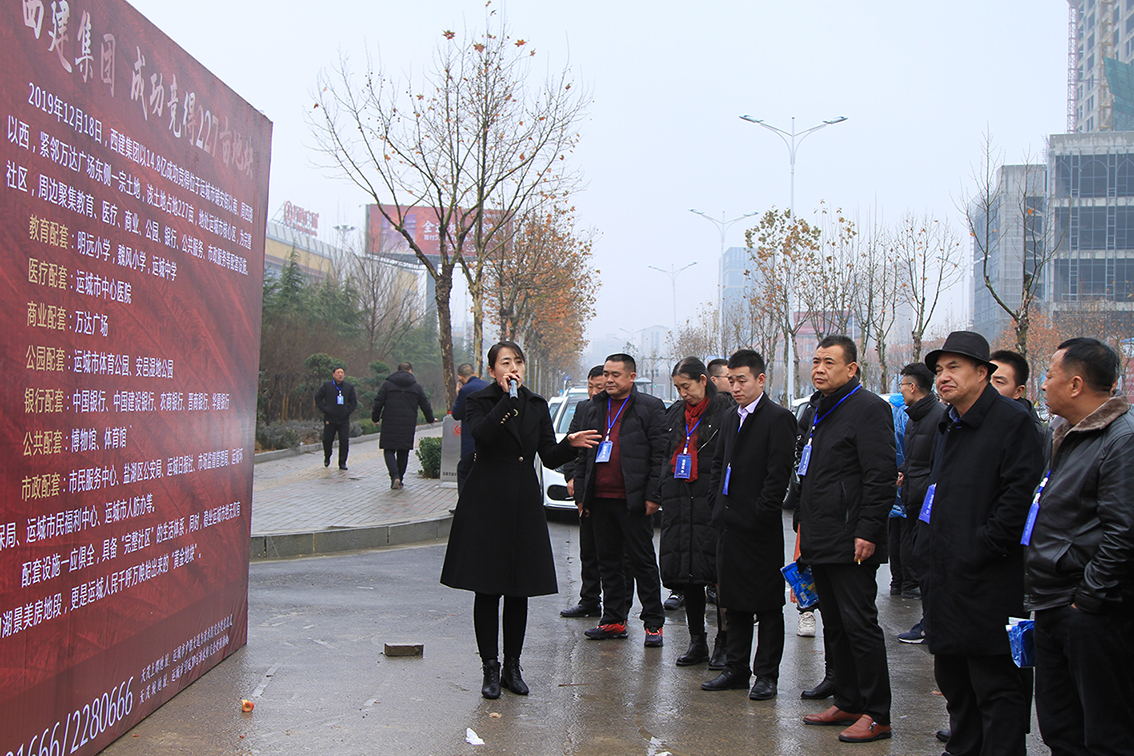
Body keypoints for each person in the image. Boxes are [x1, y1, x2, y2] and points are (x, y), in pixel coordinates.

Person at [440, 342, 600, 699]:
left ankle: (513, 666)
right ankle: (490, 667)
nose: (513, 368)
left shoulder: (537, 404)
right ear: (492, 370)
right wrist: (507, 402)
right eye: (505, 362)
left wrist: (570, 443)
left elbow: (548, 454)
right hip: (486, 499)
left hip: (523, 500)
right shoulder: (479, 400)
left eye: (518, 362)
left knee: (518, 588)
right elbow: (482, 435)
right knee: (487, 588)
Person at [916, 331, 1043, 756]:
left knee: (996, 686)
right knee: (954, 681)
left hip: (989, 579)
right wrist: (926, 550)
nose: (943, 377)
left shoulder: (1013, 421)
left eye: (954, 367)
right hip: (944, 575)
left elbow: (1016, 501)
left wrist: (977, 548)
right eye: (939, 370)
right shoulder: (947, 422)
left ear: (982, 372)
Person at [1028, 338, 1134, 755]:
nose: (1043, 384)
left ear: (1075, 384)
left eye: (1049, 375)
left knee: (1106, 731)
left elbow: (1123, 531)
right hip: (1053, 599)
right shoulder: (1064, 434)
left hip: (1091, 610)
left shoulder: (1122, 440)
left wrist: (1088, 598)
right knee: (1060, 727)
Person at [797, 335, 895, 744]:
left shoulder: (868, 408)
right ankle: (848, 700)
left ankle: (877, 713)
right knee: (835, 625)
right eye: (816, 361)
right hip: (821, 535)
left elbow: (880, 475)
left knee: (860, 626)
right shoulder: (818, 409)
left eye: (829, 362)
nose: (819, 369)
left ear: (852, 369)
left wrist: (867, 530)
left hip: (852, 538)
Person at [699, 350, 796, 700]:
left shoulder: (778, 418)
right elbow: (718, 464)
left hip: (759, 528)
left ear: (760, 379)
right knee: (733, 601)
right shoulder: (730, 417)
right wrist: (716, 503)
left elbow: (777, 476)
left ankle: (766, 674)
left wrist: (759, 513)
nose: (735, 387)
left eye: (742, 380)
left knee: (767, 605)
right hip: (728, 524)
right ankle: (736, 668)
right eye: (731, 380)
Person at [575, 353, 668, 647]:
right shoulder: (594, 407)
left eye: (615, 374)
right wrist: (582, 495)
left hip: (633, 500)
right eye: (606, 374)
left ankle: (653, 623)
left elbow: (660, 455)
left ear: (631, 376)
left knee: (642, 562)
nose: (609, 380)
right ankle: (614, 619)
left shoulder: (649, 407)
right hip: (599, 499)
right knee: (608, 562)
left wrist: (653, 495)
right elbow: (583, 455)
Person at [655, 357, 733, 667]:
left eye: (686, 386)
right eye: (678, 388)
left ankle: (724, 642)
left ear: (703, 380)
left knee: (718, 575)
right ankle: (696, 640)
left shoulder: (725, 412)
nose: (683, 393)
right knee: (688, 576)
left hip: (709, 503)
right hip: (679, 502)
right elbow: (665, 454)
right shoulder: (675, 414)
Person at [894, 362, 945, 643]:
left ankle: (932, 624)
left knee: (928, 565)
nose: (900, 391)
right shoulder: (914, 418)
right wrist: (904, 472)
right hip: (913, 498)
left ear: (913, 387)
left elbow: (937, 464)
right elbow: (915, 459)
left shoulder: (939, 417)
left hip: (927, 503)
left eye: (902, 385)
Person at [560, 366, 612, 619]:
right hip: (587, 488)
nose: (593, 392)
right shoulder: (583, 408)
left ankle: (616, 609)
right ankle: (589, 600)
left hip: (611, 489)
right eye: (590, 387)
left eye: (599, 388)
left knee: (615, 554)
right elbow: (570, 446)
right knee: (588, 550)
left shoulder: (618, 410)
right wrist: (571, 476)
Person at [371, 362, 436, 490]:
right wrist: (430, 419)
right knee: (403, 451)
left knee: (389, 449)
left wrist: (375, 418)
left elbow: (378, 403)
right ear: (410, 371)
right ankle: (400, 479)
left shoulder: (387, 385)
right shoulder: (416, 387)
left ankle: (394, 476)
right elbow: (425, 404)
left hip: (389, 422)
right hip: (408, 423)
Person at [885, 392, 910, 597]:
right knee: (906, 533)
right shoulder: (908, 417)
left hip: (893, 481)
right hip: (906, 480)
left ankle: (897, 580)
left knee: (895, 533)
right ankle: (908, 581)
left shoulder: (891, 416)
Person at [452, 363, 490, 495]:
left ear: (460, 377)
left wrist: (458, 394)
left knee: (464, 471)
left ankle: (465, 503)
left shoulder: (465, 390)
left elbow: (457, 414)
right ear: (474, 373)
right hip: (488, 438)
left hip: (471, 440)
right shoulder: (487, 386)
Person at [990, 349, 1044, 436]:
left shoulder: (1029, 433)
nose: (988, 386)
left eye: (999, 382)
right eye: (986, 379)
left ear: (1018, 391)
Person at [314, 366, 357, 470]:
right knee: (327, 440)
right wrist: (325, 409)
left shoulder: (349, 387)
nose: (340, 375)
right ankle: (327, 456)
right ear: (334, 374)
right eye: (338, 373)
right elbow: (318, 398)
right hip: (330, 418)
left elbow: (353, 402)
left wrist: (347, 411)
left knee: (344, 441)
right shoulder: (327, 386)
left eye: (342, 372)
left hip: (343, 419)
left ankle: (342, 462)